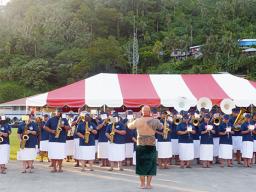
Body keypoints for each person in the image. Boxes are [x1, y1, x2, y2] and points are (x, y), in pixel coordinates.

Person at [128, 105, 162, 189]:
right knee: (151, 165)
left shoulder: (138, 120)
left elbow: (129, 126)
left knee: (141, 165)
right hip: (151, 144)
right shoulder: (155, 121)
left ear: (141, 112)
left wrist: (130, 120)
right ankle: (148, 184)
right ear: (150, 112)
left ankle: (142, 184)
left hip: (141, 144)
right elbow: (161, 127)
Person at [44, 108, 70, 173]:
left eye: (60, 112)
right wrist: (51, 131)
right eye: (58, 111)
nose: (59, 113)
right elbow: (45, 127)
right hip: (52, 139)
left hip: (61, 140)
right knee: (53, 154)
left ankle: (60, 168)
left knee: (60, 155)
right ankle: (54, 168)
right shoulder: (51, 119)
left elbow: (69, 128)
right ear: (55, 112)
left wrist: (63, 126)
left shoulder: (64, 119)